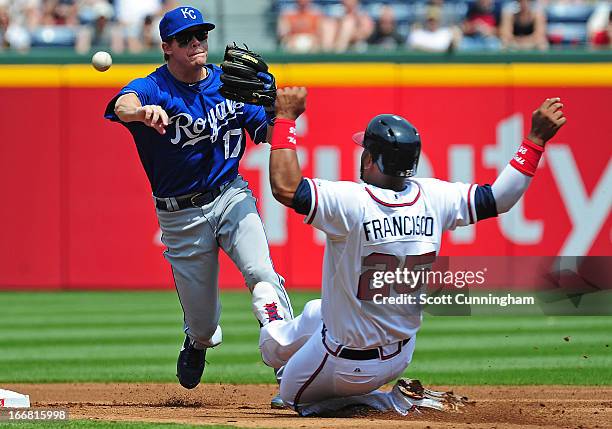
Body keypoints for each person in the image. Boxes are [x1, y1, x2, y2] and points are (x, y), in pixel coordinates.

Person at [255, 87, 565, 415]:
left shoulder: (353, 202)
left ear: (371, 159)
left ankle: (393, 402)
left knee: (291, 395)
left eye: (365, 151)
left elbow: (286, 187)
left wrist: (286, 118)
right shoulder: (434, 196)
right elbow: (500, 198)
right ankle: (277, 334)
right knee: (318, 310)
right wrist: (535, 139)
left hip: (348, 364)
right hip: (401, 353)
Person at [103, 6, 293, 406]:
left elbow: (268, 132)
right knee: (205, 325)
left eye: (201, 36)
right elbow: (122, 105)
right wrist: (140, 112)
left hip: (230, 194)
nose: (196, 44)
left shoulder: (230, 84)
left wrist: (282, 110)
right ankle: (198, 339)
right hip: (180, 215)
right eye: (186, 39)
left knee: (261, 273)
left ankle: (292, 367)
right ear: (166, 47)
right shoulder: (154, 87)